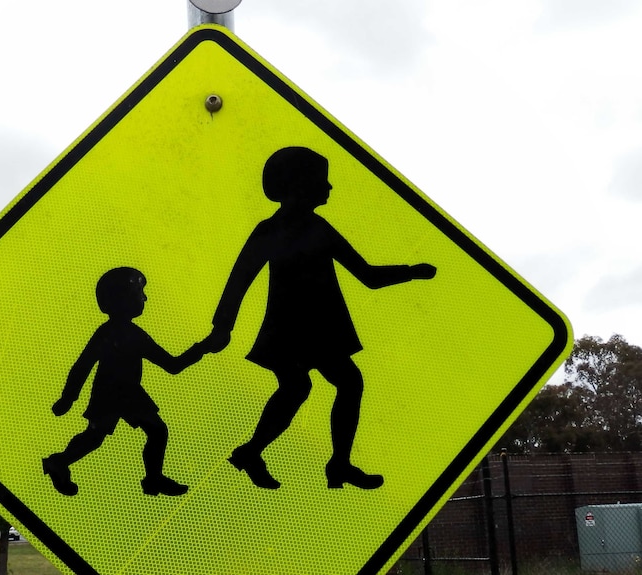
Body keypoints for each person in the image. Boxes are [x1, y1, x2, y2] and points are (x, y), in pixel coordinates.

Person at [204, 146, 437, 490]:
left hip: (321, 329)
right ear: (299, 184)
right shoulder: (269, 230)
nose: (329, 189)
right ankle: (256, 452)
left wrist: (411, 272)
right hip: (287, 329)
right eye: (322, 181)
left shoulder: (319, 228)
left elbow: (367, 275)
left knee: (343, 382)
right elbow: (239, 280)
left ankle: (332, 463)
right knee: (301, 387)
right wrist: (222, 328)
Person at [43, 267, 208, 497]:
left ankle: (152, 479)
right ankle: (60, 462)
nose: (145, 298)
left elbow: (171, 365)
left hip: (127, 393)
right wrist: (68, 397)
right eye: (140, 292)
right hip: (112, 393)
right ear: (123, 298)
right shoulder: (114, 333)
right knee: (101, 436)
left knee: (148, 431)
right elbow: (83, 364)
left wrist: (203, 348)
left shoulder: (130, 333)